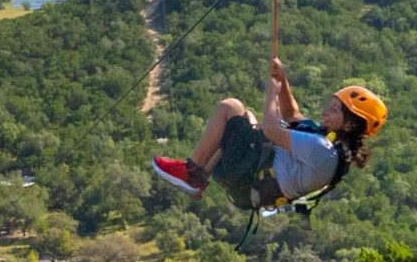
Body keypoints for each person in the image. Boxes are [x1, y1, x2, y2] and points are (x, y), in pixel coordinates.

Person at [152, 58, 386, 212]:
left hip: (249, 178)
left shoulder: (321, 150)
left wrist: (272, 94)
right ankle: (198, 180)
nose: (325, 111)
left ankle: (191, 171)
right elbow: (292, 113)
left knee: (230, 108)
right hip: (254, 181)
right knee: (247, 118)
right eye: (330, 105)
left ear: (349, 125)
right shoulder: (329, 146)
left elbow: (272, 130)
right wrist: (283, 81)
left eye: (335, 110)